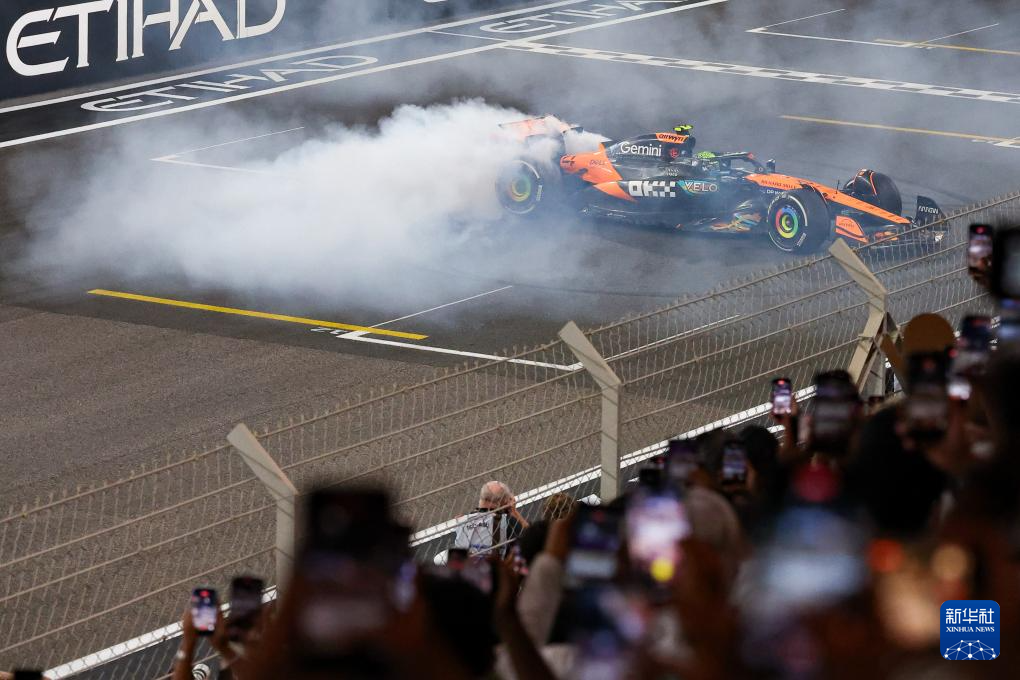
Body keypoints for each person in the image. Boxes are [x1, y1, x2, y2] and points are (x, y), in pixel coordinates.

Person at [453, 481, 529, 557]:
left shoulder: (461, 521)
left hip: (464, 563)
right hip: (492, 563)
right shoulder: (506, 521)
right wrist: (513, 511)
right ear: (500, 502)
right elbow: (531, 537)